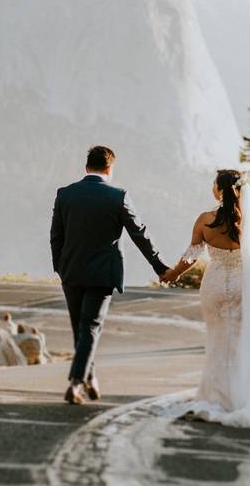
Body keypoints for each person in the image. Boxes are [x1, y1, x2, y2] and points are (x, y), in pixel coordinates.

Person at [161, 169, 250, 428]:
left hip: (214, 286)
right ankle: (242, 397)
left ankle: (214, 397)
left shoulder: (205, 220)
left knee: (217, 340)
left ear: (218, 190)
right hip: (245, 286)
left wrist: (172, 274)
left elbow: (191, 256)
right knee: (244, 339)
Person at [50, 145, 170, 405]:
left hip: (71, 272)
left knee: (79, 330)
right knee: (90, 328)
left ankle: (89, 378)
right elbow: (139, 234)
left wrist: (60, 267)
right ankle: (76, 383)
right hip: (102, 274)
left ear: (86, 167)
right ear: (110, 168)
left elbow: (56, 236)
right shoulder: (118, 196)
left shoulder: (65, 194)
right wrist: (159, 266)